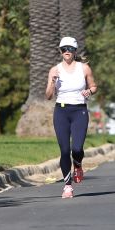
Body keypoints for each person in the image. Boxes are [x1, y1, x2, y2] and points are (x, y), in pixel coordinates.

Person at [45, 37, 97, 198]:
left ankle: (78, 164)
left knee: (77, 149)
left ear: (75, 51)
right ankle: (67, 186)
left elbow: (93, 86)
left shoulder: (84, 68)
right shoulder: (55, 70)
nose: (67, 51)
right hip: (61, 112)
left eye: (70, 48)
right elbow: (48, 96)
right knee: (65, 150)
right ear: (60, 51)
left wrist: (89, 91)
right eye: (63, 49)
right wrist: (53, 83)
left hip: (79, 111)